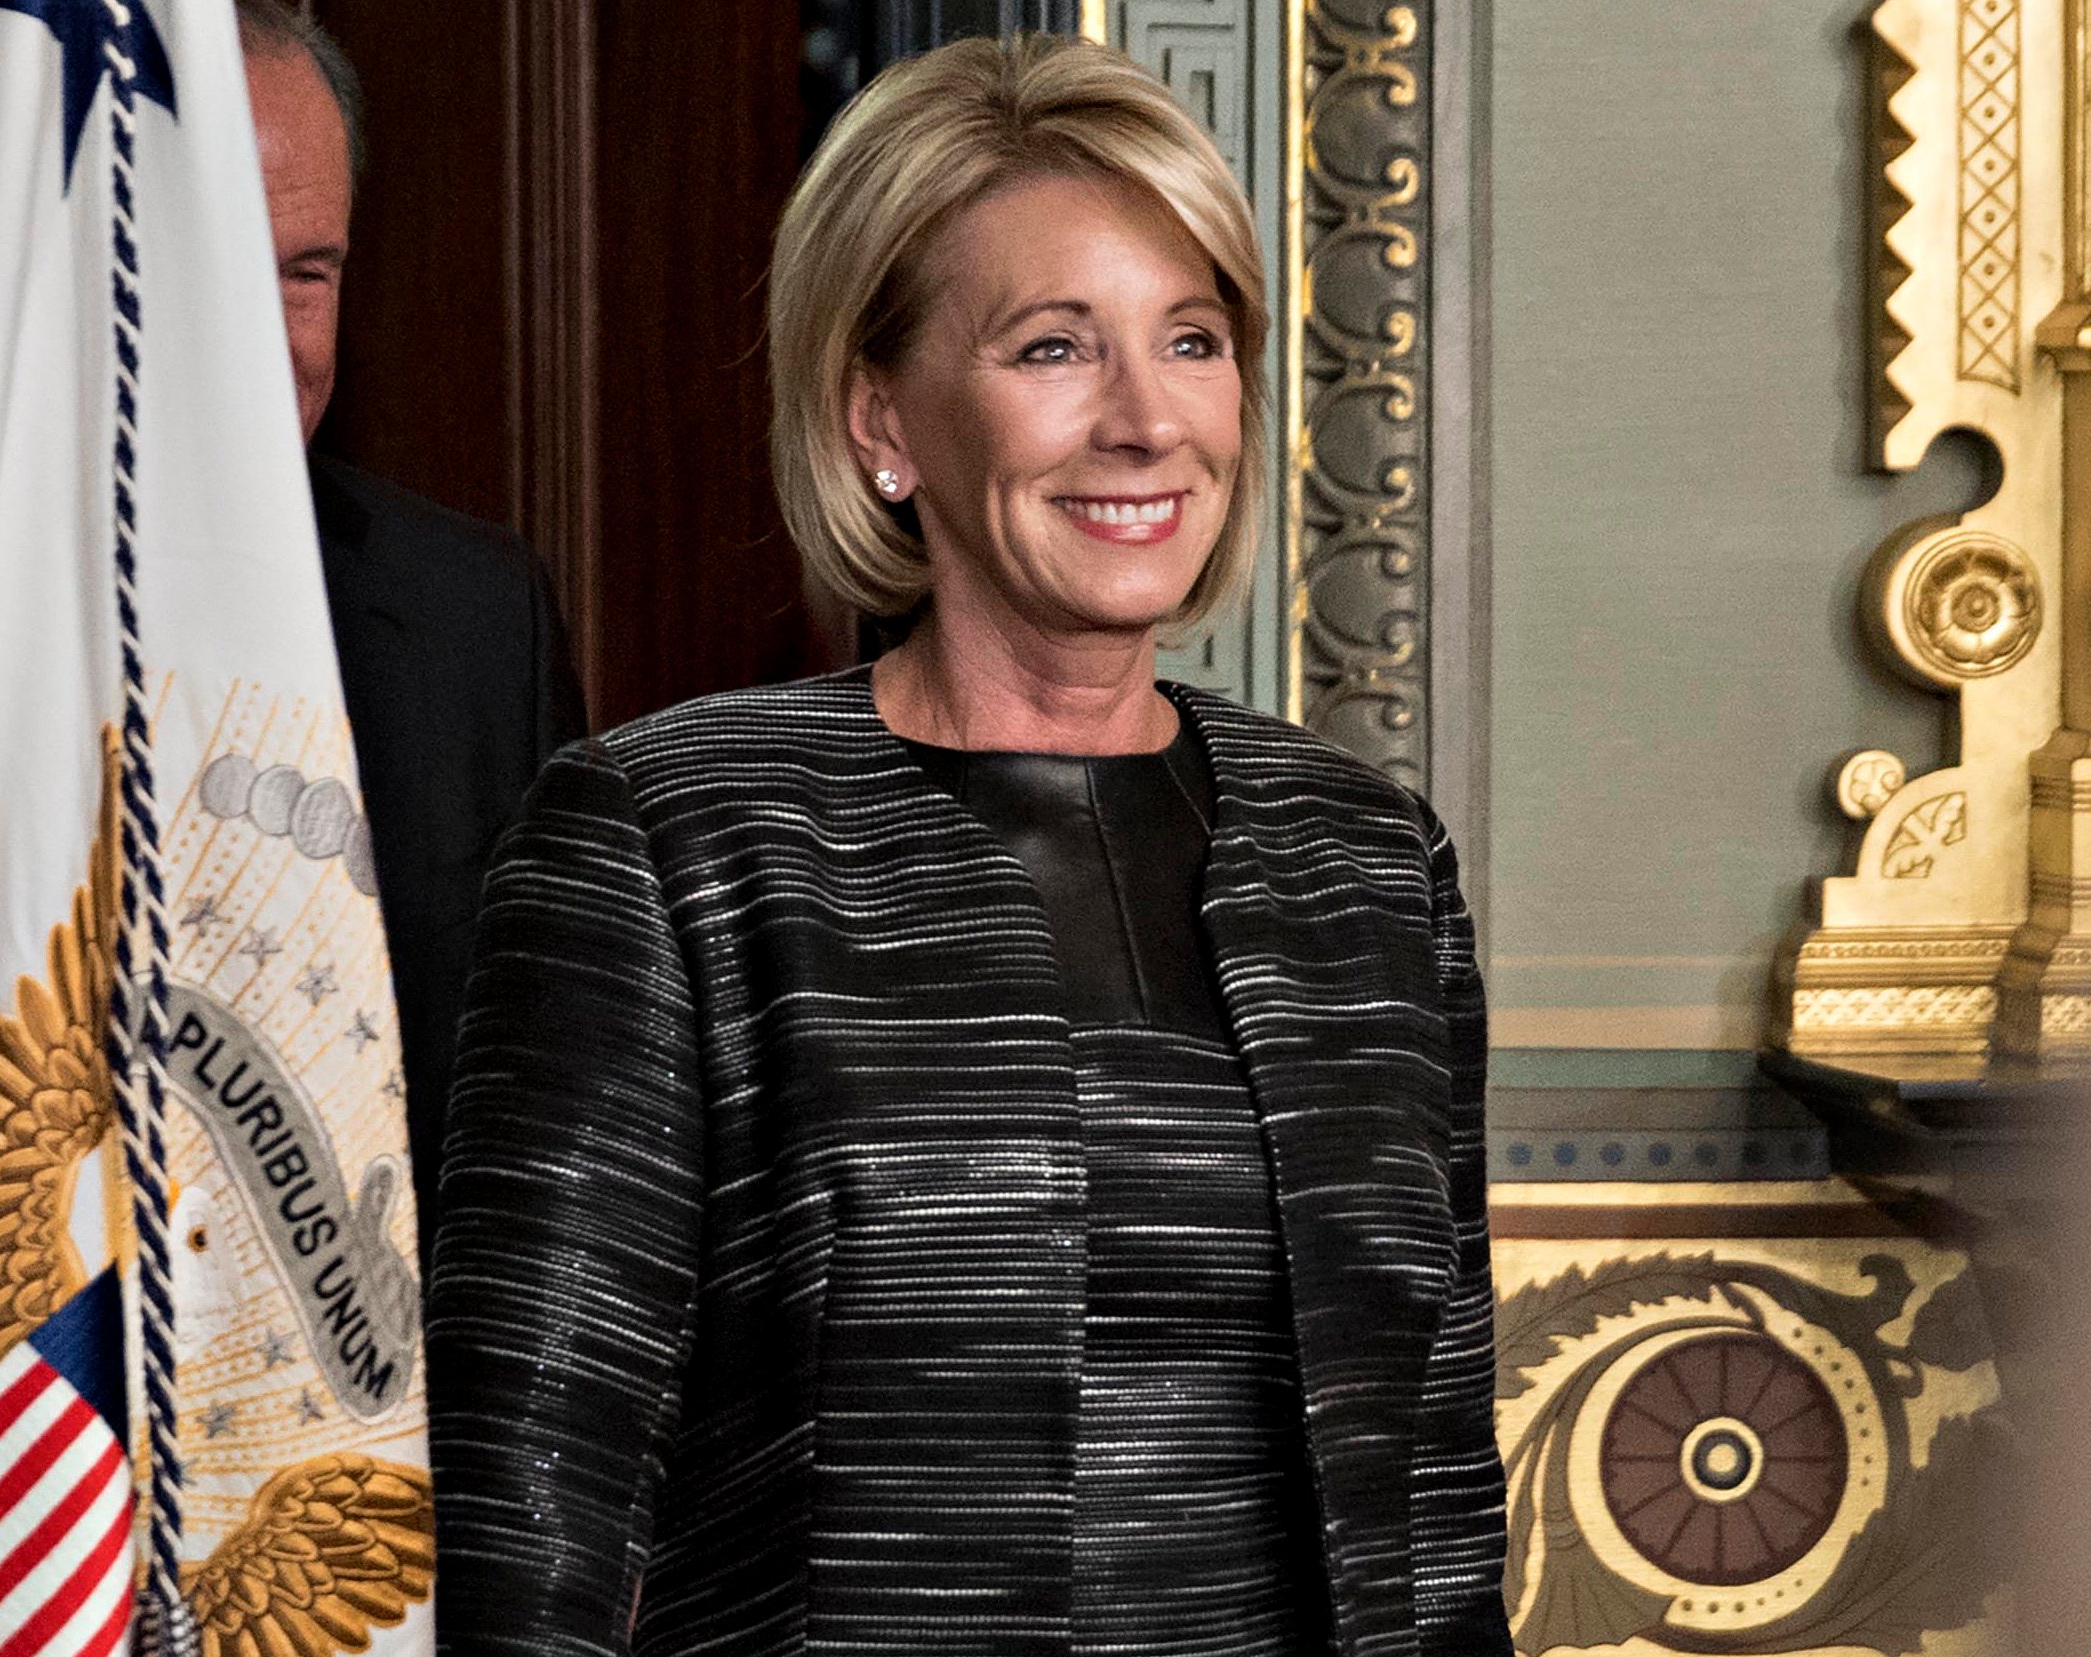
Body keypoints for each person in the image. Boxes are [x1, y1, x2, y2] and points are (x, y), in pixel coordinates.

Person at [428, 31, 1510, 1657]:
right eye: (1054, 348)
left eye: (1195, 339)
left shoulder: (1368, 865)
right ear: (883, 418)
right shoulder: (670, 844)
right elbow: (528, 1524)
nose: (1147, 420)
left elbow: (1431, 1513)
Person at [239, 0, 585, 1265]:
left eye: (307, 272)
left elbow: (547, 1128)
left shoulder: (471, 621)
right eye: (212, 262)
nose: (269, 341)